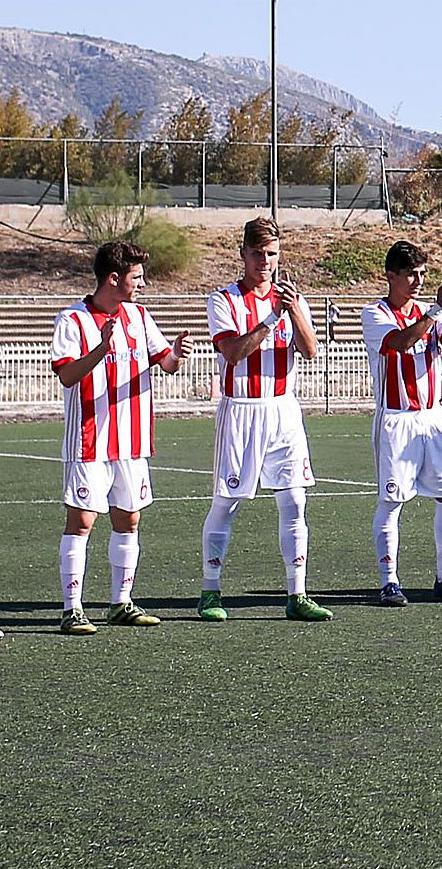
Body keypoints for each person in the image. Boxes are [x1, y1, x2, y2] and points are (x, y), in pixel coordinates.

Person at [199, 218, 328, 622]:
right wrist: (272, 318)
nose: (265, 262)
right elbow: (234, 352)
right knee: (228, 501)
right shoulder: (224, 300)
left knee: (294, 500)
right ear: (242, 254)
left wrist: (292, 312)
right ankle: (210, 592)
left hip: (283, 411)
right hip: (242, 411)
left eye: (272, 253)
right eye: (257, 254)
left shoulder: (292, 299)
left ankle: (297, 593)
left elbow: (309, 350)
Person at [49, 240, 180, 634]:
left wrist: (177, 352)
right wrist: (101, 349)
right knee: (83, 521)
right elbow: (67, 376)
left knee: (130, 519)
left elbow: (167, 364)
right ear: (113, 278)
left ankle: (120, 603)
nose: (143, 283)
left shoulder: (139, 316)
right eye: (136, 277)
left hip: (132, 441)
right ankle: (72, 608)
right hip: (90, 441)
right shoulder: (72, 320)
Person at [363, 242, 442, 607]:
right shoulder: (375, 313)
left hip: (433, 417)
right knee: (392, 501)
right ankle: (389, 581)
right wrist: (437, 308)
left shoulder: (432, 309)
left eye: (422, 274)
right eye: (411, 274)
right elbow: (401, 342)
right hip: (396, 419)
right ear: (390, 275)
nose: (418, 281)